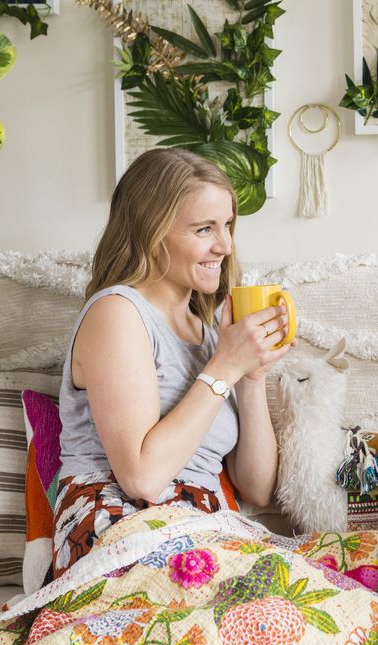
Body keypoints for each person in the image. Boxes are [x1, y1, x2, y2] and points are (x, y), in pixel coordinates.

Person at [51, 148, 292, 578]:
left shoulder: (209, 333)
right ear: (151, 232)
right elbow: (142, 479)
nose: (225, 246)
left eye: (228, 226)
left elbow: (256, 489)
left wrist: (250, 376)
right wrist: (223, 369)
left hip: (200, 522)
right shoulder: (118, 313)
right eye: (205, 229)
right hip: (115, 522)